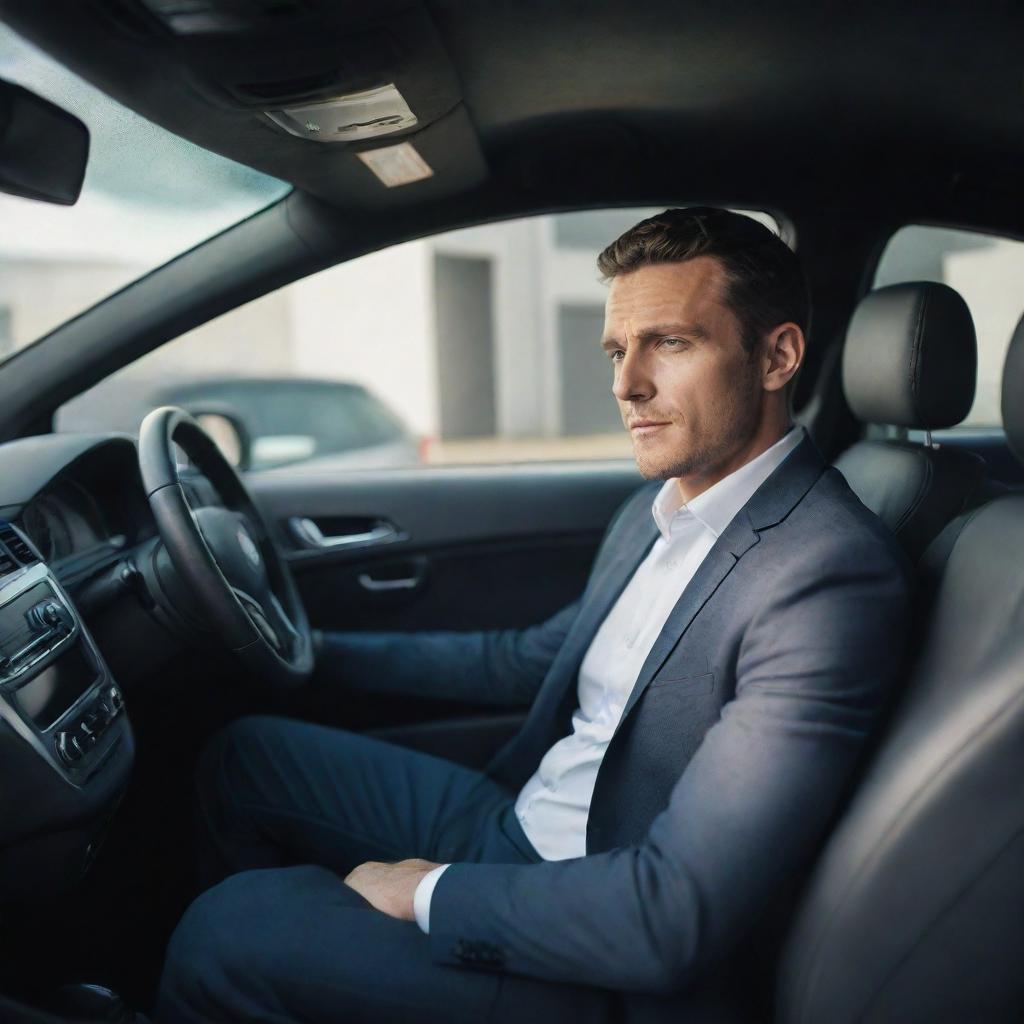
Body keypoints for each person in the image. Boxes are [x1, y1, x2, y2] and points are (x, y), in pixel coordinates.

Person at [157, 208, 912, 1023]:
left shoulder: (824, 577)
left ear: (777, 356)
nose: (626, 385)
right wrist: (308, 646)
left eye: (671, 343)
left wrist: (427, 892)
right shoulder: (658, 508)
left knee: (222, 935)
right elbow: (527, 658)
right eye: (619, 350)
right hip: (520, 814)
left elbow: (671, 913)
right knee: (244, 759)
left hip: (599, 947)